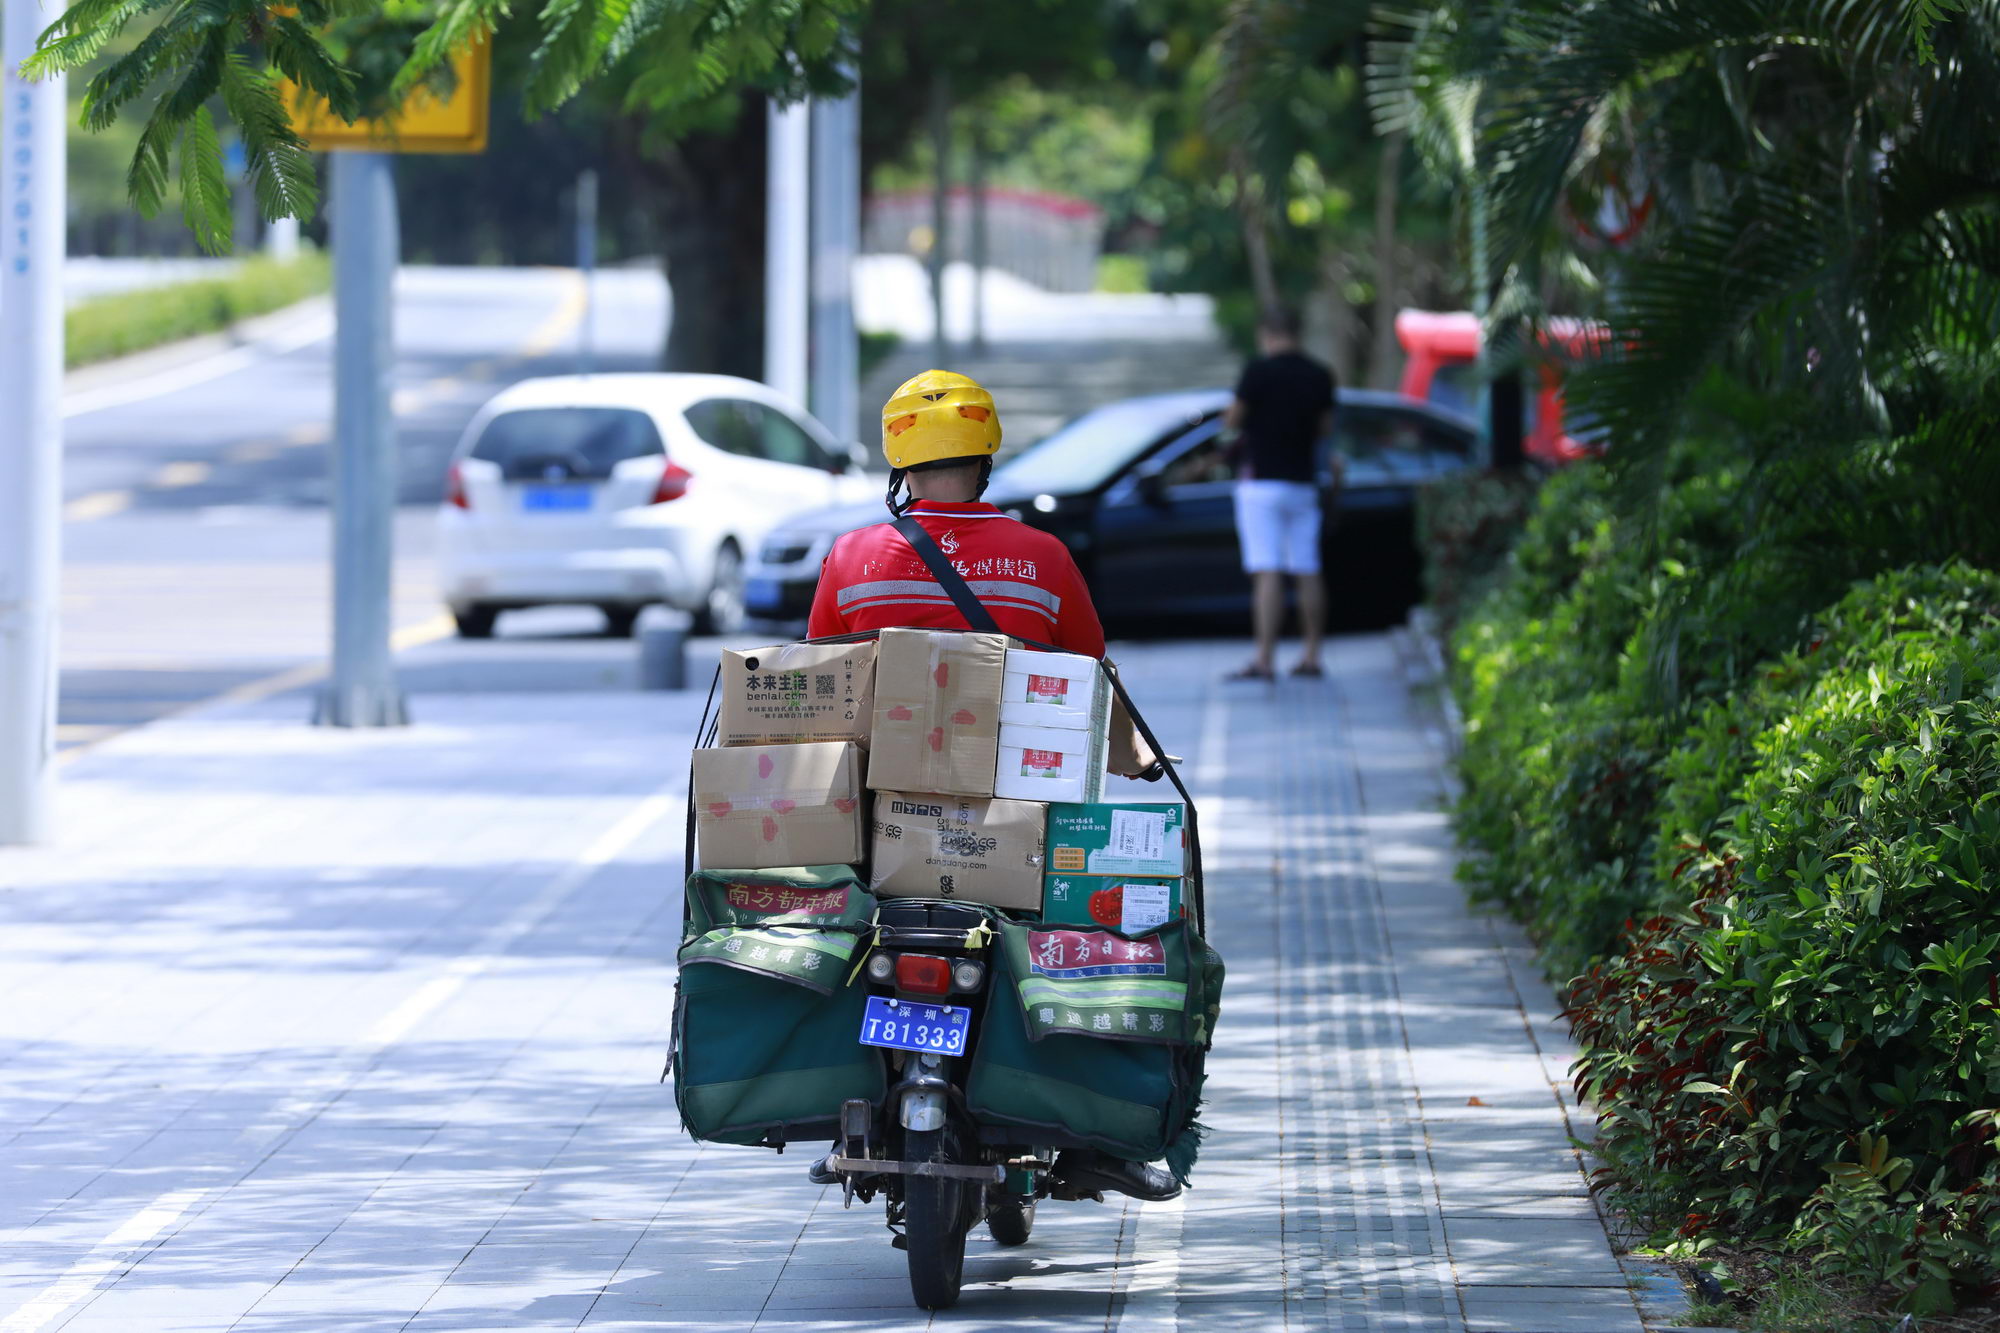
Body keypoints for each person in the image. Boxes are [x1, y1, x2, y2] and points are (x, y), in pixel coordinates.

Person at [806, 369, 1179, 1203]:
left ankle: (849, 1102)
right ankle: (1087, 1132)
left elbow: (825, 682)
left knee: (852, 934)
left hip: (883, 822)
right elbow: (1087, 675)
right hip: (1019, 824)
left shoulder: (853, 556)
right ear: (986, 456)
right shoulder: (1042, 557)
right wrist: (1134, 759)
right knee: (1063, 948)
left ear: (899, 460)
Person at [1224, 305, 1337, 680]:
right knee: (1307, 568)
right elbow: (1324, 427)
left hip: (1261, 483)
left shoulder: (1258, 371)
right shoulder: (1320, 374)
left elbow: (1233, 420)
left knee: (1267, 570)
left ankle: (1265, 659)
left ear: (1267, 334)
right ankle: (1312, 655)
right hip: (1303, 482)